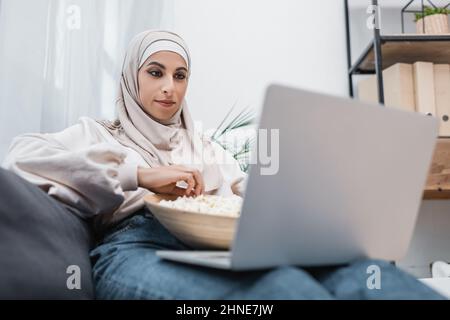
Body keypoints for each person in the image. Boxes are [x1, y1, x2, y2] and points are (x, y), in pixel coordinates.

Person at [1, 30, 444, 300]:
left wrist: (309, 207)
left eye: (180, 75)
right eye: (155, 72)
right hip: (134, 247)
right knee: (281, 291)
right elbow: (20, 156)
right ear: (132, 75)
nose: (169, 87)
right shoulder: (99, 134)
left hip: (221, 245)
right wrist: (137, 173)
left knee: (367, 278)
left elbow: (245, 196)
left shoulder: (206, 145)